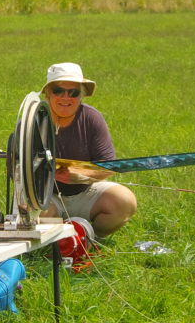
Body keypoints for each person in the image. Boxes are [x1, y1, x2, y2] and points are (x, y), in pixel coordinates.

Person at [40, 63, 137, 236]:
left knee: (125, 201)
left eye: (74, 92)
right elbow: (16, 172)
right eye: (59, 90)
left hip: (86, 193)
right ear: (47, 93)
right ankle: (52, 243)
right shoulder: (31, 123)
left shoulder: (92, 118)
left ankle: (89, 238)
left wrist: (78, 175)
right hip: (47, 199)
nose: (66, 97)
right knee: (29, 214)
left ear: (81, 96)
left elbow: (108, 166)